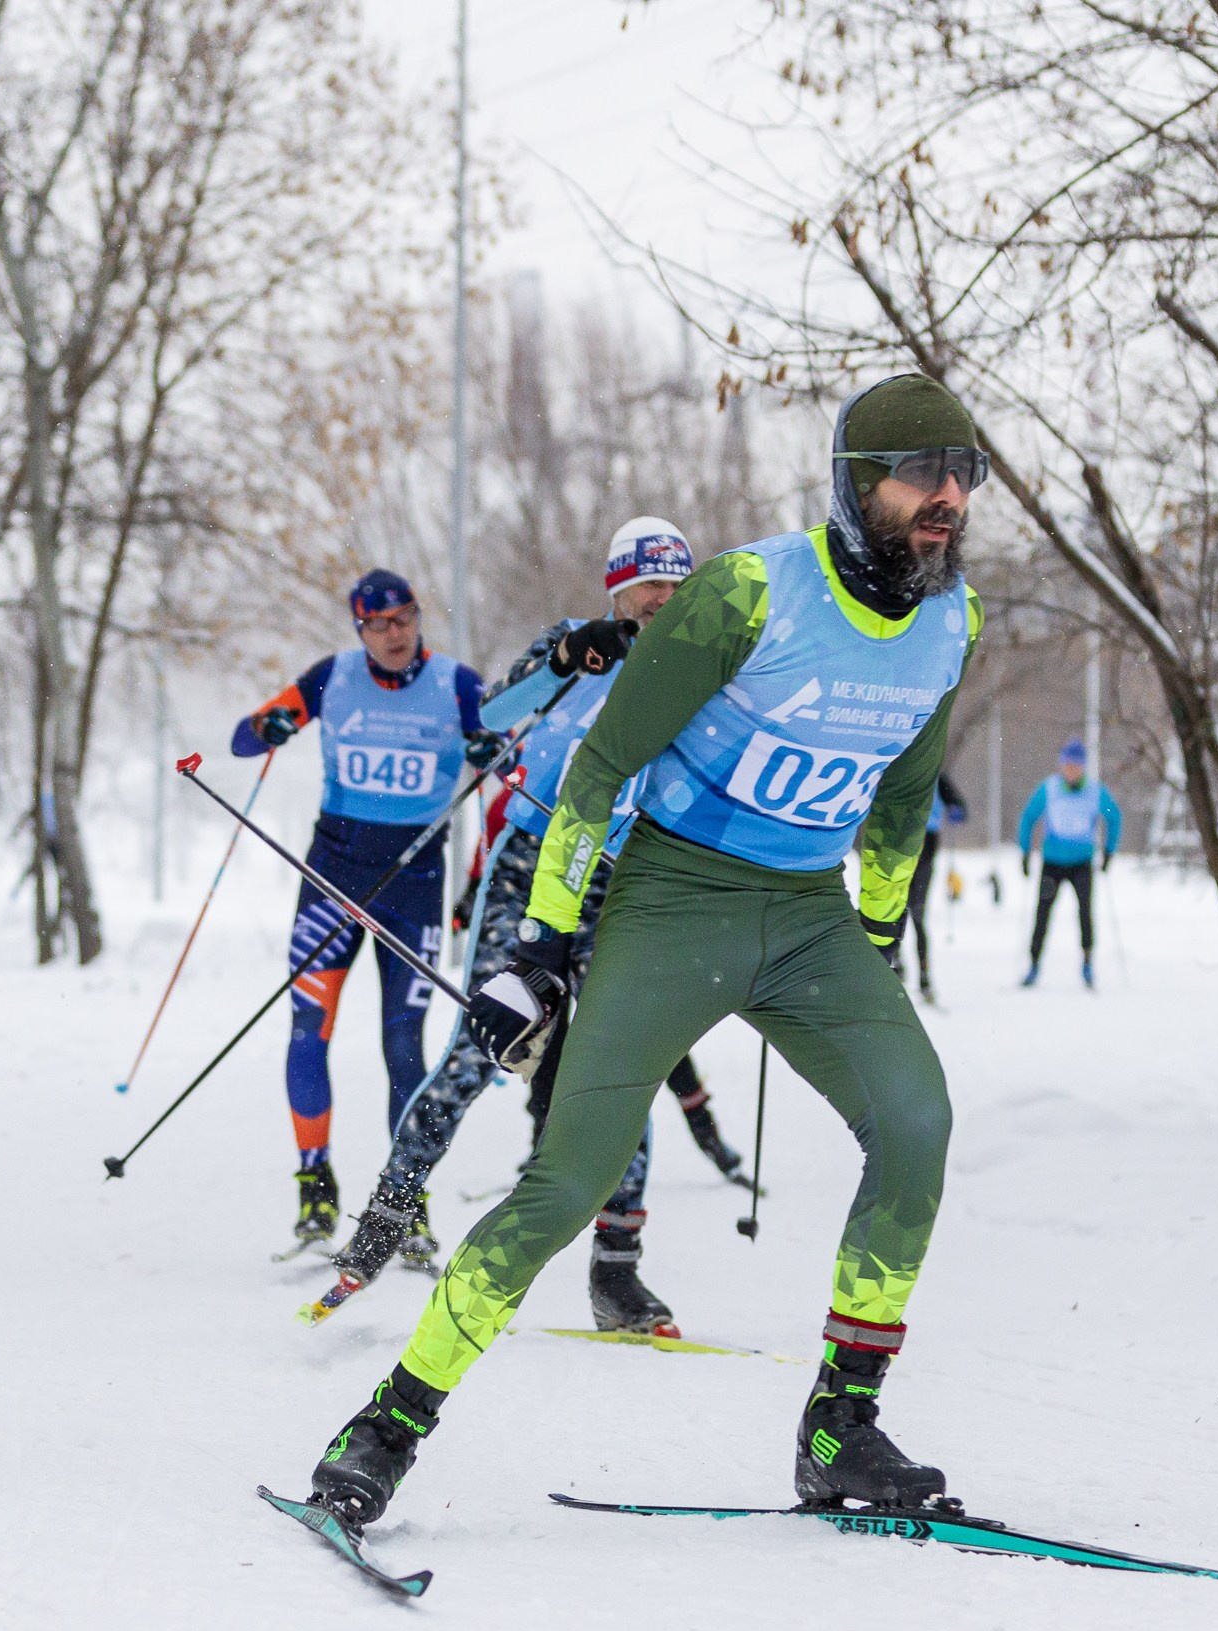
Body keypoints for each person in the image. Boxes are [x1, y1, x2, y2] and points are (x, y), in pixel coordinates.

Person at [302, 371, 986, 1528]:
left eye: (964, 476)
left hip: (809, 919)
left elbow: (901, 801)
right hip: (672, 904)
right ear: (855, 484)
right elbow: (599, 768)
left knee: (917, 1125)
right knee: (566, 1180)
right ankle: (389, 1423)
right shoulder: (744, 595)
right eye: (922, 474)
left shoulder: (950, 624)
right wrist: (540, 947)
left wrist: (872, 934)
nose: (948, 497)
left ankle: (840, 1428)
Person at [328, 518, 730, 1336]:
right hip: (533, 862)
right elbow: (493, 714)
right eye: (644, 587)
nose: (659, 600)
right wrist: (564, 655)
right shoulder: (577, 648)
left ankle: (617, 1277)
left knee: (624, 1068)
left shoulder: (705, 671)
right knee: (479, 1047)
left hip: (626, 879)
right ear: (617, 591)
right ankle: (382, 1224)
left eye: (673, 586)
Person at [232, 570, 489, 1245]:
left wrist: (495, 751)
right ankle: (315, 1190)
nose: (392, 634)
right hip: (332, 880)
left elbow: (513, 755)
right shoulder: (333, 678)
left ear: (417, 618)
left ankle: (406, 1199)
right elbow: (243, 739)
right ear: (359, 630)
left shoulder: (458, 686)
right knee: (307, 1028)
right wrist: (271, 725)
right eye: (377, 625)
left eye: (402, 619)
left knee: (404, 1048)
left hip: (413, 886)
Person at [1017, 737, 1120, 988]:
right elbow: (1028, 818)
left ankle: (1087, 963)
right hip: (1052, 862)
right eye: (1067, 765)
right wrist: (1025, 851)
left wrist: (1109, 851)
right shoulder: (1049, 789)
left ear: (1083, 767)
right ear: (1061, 766)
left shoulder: (1095, 792)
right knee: (1042, 914)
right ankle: (1034, 963)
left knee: (1085, 913)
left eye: (1075, 766)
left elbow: (1114, 818)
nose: (1071, 771)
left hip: (1081, 863)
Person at [905, 770, 970, 1002]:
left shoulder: (936, 776)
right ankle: (894, 965)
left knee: (917, 915)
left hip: (925, 852)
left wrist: (957, 811)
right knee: (893, 912)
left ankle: (924, 978)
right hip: (898, 848)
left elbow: (960, 806)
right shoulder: (898, 769)